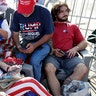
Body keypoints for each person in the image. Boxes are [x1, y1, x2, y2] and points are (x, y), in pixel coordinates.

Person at [44, 2, 88, 96]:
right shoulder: (49, 26)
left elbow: (84, 42)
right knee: (49, 68)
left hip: (70, 55)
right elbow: (43, 42)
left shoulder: (72, 26)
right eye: (61, 12)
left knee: (83, 68)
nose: (65, 13)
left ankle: (65, 87)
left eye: (66, 11)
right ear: (55, 14)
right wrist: (53, 50)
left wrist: (75, 48)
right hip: (53, 55)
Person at [10, 0, 54, 82]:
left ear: (34, 4)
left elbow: (49, 34)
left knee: (35, 60)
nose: (25, 13)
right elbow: (15, 32)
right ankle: (18, 83)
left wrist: (34, 45)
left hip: (43, 42)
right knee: (19, 59)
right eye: (23, 10)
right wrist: (18, 45)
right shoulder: (17, 14)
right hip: (26, 41)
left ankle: (36, 84)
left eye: (27, 10)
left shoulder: (44, 12)